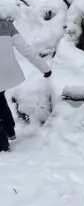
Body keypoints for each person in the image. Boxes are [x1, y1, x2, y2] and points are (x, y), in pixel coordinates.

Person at [0, 16, 52, 151]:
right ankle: (10, 131)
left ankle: (2, 144)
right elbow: (25, 49)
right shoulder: (6, 25)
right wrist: (44, 67)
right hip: (7, 73)